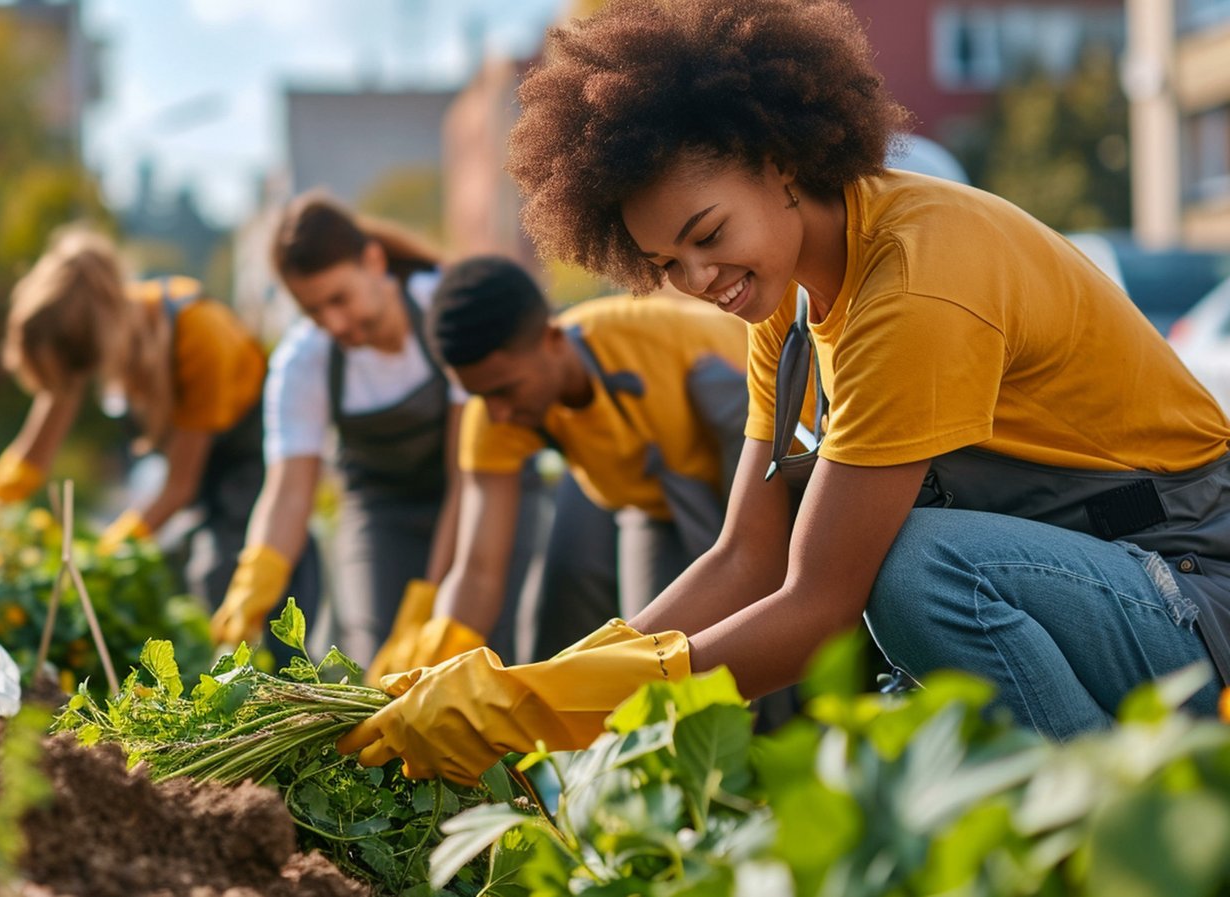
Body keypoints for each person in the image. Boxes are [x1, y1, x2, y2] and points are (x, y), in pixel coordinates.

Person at [339, 0, 1230, 785]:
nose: (697, 277)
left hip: (1187, 586)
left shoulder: (915, 280)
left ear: (778, 163)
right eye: (663, 262)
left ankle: (1117, 817)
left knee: (917, 568)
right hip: (1082, 583)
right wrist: (550, 681)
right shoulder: (790, 319)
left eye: (707, 232)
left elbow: (818, 603)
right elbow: (745, 556)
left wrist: (546, 710)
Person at [369, 255, 752, 680]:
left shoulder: (654, 341)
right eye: (480, 396)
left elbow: (752, 542)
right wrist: (435, 666)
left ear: (553, 340)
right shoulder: (497, 411)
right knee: (651, 667)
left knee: (745, 658)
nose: (497, 413)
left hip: (757, 472)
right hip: (652, 506)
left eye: (505, 390)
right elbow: (478, 569)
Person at [210, 195, 540, 661]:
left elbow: (466, 478)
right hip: (384, 512)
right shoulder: (304, 360)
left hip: (485, 492)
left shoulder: (445, 310)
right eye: (314, 311)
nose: (334, 323)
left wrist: (429, 598)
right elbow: (287, 491)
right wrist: (255, 578)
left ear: (373, 260)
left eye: (339, 299)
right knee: (375, 660)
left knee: (479, 650)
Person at [0, 227, 311, 616]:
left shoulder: (199, 335)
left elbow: (179, 488)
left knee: (215, 580)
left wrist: (97, 563)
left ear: (101, 342)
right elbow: (33, 454)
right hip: (200, 485)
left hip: (255, 474)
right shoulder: (89, 338)